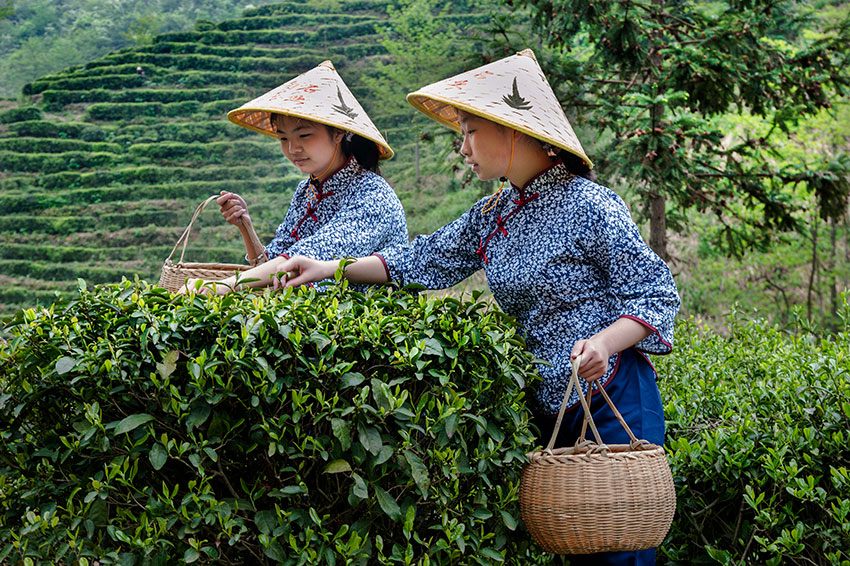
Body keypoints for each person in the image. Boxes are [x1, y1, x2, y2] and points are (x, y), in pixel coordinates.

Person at [272, 50, 680, 564]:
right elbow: (421, 259)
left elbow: (655, 292)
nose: (461, 147)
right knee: (570, 545)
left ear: (513, 131)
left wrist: (603, 342)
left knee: (621, 552)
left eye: (469, 132)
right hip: (549, 402)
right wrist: (329, 267)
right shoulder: (493, 213)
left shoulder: (590, 204)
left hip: (613, 392)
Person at [181, 60, 407, 294]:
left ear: (338, 132)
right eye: (284, 138)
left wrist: (219, 287)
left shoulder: (372, 195)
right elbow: (275, 265)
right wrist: (245, 226)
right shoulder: (306, 191)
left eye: (304, 135)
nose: (293, 149)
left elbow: (310, 257)